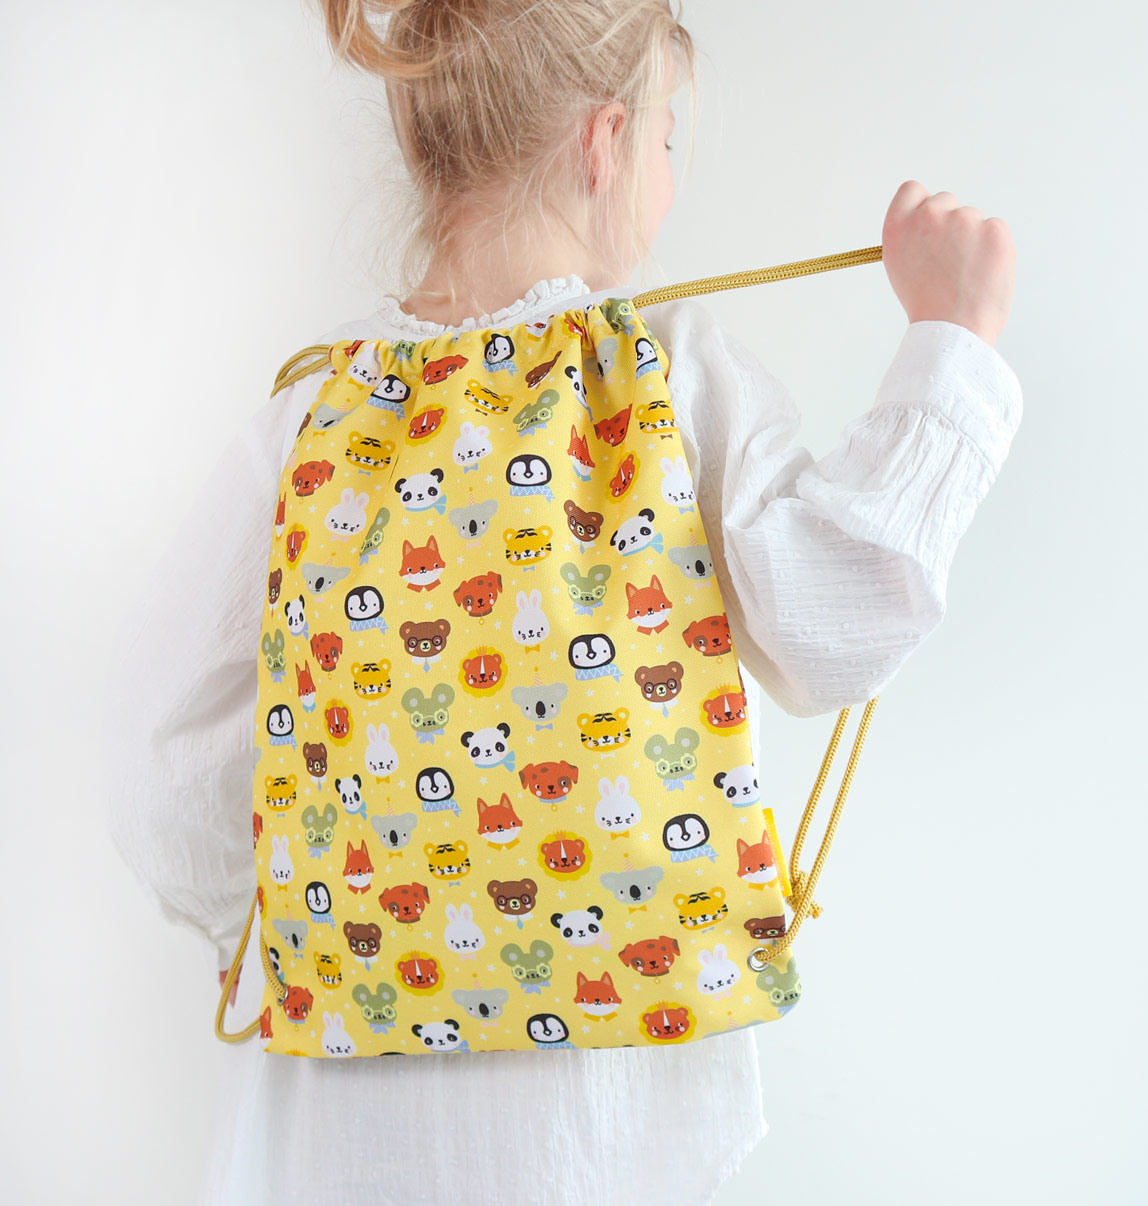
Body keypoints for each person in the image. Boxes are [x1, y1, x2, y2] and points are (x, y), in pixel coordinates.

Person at [99, 1, 1021, 1202]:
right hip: (603, 1102)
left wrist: (305, 911)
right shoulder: (663, 376)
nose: (666, 171)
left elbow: (159, 764)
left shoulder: (313, 414)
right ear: (604, 142)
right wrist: (952, 346)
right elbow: (835, 617)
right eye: (666, 137)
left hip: (341, 1098)